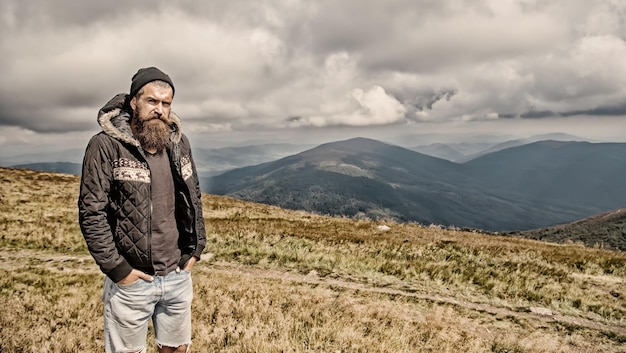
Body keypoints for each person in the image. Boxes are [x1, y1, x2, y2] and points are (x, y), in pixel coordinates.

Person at [78, 67, 206, 353]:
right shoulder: (106, 146)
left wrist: (195, 249)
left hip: (177, 274)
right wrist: (118, 269)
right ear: (134, 101)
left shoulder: (179, 143)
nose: (159, 110)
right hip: (132, 281)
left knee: (176, 349)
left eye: (166, 103)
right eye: (152, 101)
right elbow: (91, 212)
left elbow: (193, 196)